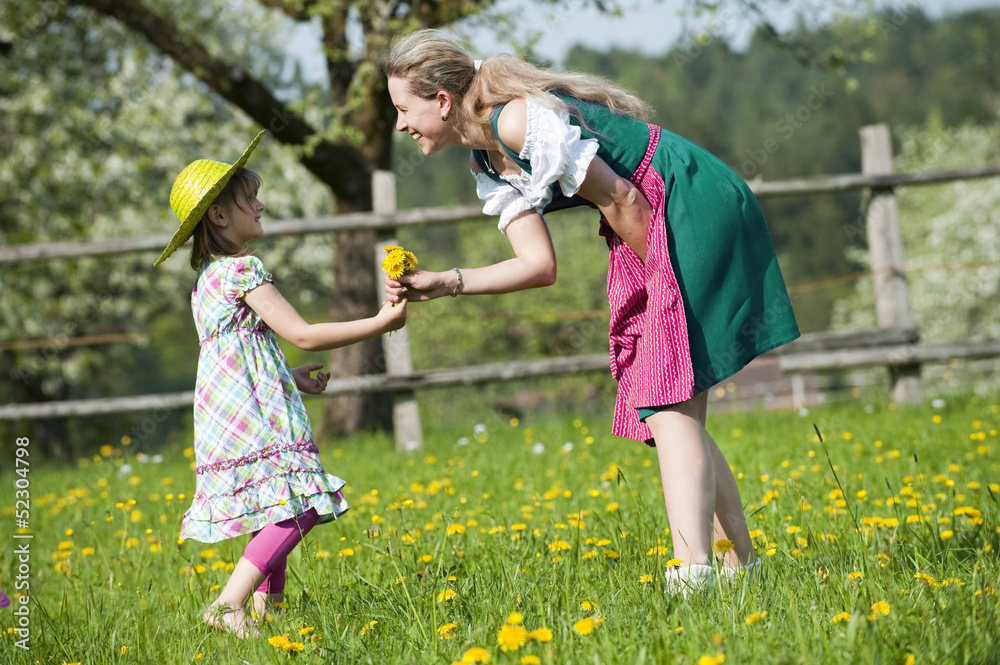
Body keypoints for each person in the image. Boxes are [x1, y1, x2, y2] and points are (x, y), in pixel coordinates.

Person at [382, 31, 799, 593]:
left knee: (667, 399)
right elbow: (537, 265)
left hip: (684, 202)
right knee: (670, 406)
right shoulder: (488, 158)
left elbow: (625, 198)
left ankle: (695, 571)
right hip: (648, 218)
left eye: (404, 109)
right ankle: (737, 565)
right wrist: (446, 282)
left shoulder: (515, 121)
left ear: (442, 101)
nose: (400, 124)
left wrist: (664, 284)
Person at [155, 131, 407, 635]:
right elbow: (304, 334)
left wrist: (286, 377)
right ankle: (228, 603)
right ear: (220, 216)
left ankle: (270, 614)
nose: (261, 204)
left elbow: (233, 354)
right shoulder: (244, 269)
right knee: (302, 503)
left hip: (227, 414)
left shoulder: (206, 280)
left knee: (274, 504)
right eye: (251, 199)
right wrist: (381, 322)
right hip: (256, 417)